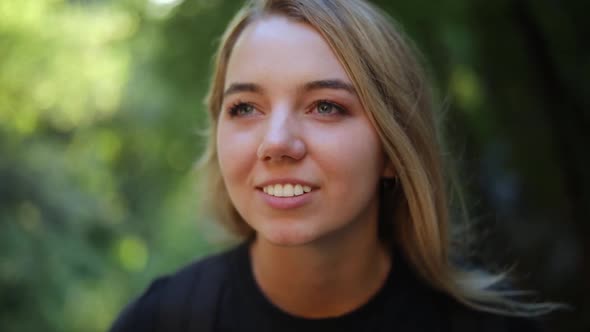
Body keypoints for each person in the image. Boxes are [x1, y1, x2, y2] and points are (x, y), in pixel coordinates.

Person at [110, 0, 559, 331]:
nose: (277, 143)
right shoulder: (159, 321)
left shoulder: (495, 326)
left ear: (392, 149)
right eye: (245, 108)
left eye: (325, 106)